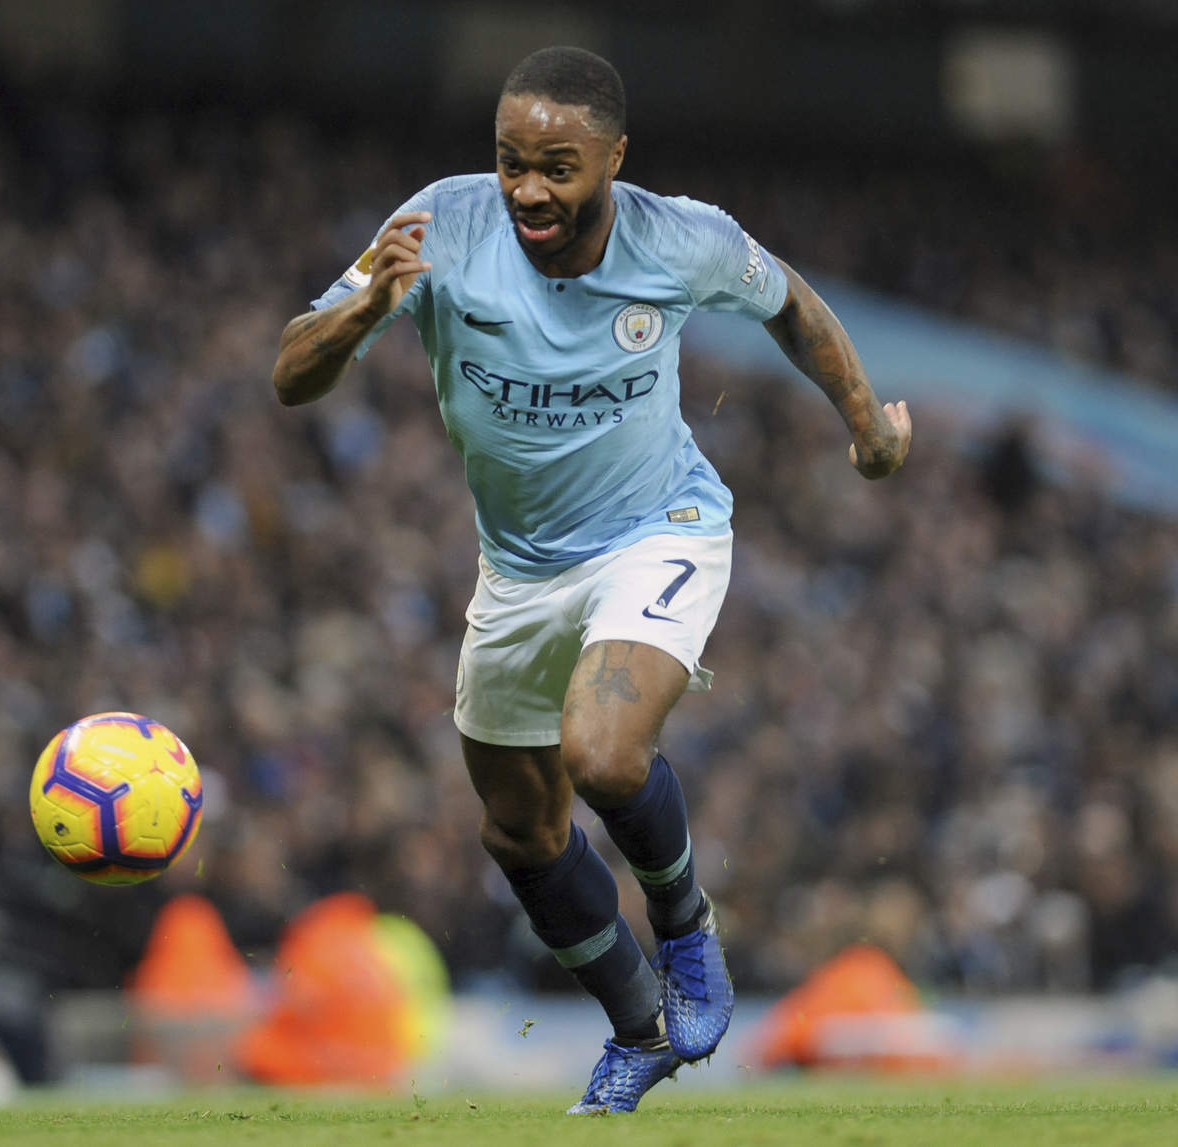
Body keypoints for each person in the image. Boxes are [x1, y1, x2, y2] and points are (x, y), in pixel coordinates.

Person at [270, 46, 911, 1113]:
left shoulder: (681, 238)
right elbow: (291, 373)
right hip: (518, 569)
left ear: (614, 158)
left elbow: (792, 304)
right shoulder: (439, 225)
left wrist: (866, 427)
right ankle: (639, 1029)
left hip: (656, 530)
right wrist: (364, 306)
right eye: (510, 161)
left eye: (556, 167)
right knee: (518, 831)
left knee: (604, 754)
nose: (527, 188)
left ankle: (687, 928)